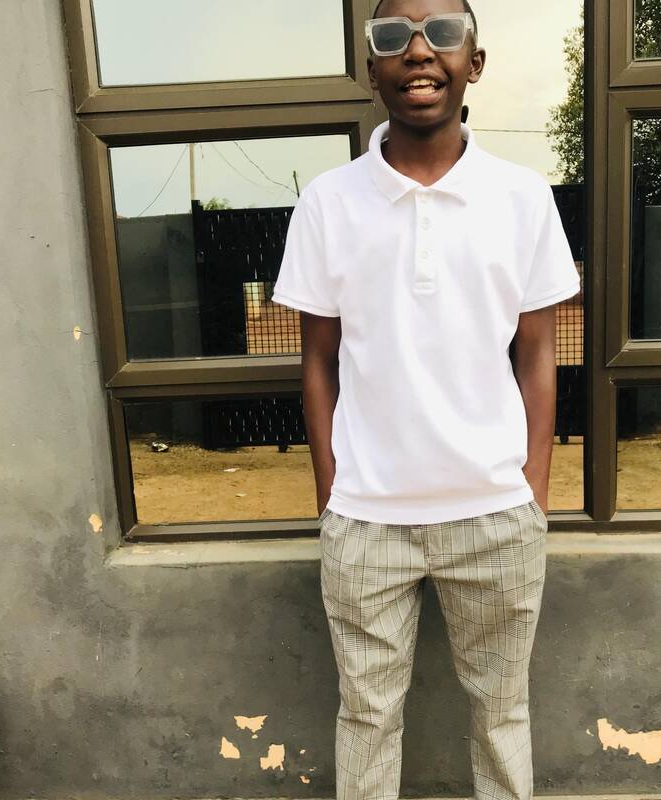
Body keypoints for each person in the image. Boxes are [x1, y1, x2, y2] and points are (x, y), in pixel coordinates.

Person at [272, 0, 580, 797]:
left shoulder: (522, 198)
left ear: (474, 63)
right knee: (367, 716)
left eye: (442, 34)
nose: (418, 52)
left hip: (496, 515)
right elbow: (318, 362)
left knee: (502, 714)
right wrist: (332, 495)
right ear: (371, 69)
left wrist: (533, 492)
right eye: (393, 37)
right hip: (366, 520)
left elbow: (539, 354)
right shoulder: (328, 202)